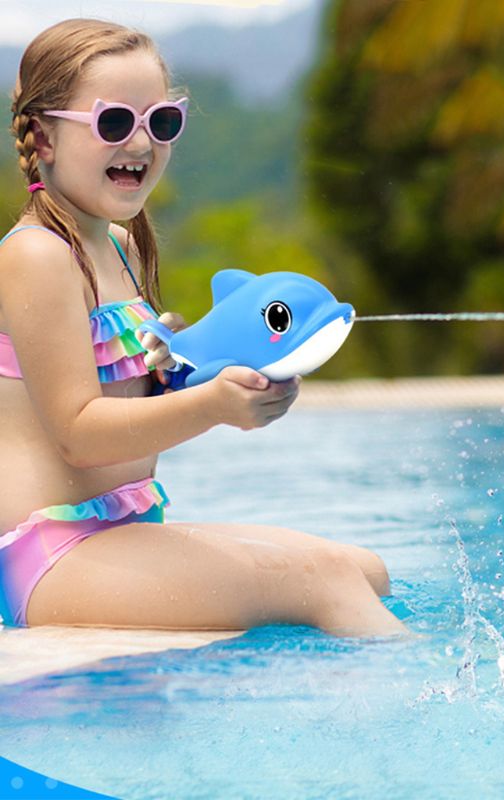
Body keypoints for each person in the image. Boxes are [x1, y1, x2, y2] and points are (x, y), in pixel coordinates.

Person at [0, 18, 408, 638]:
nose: (140, 143)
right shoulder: (38, 256)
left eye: (160, 122)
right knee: (324, 582)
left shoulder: (114, 246)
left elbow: (136, 394)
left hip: (116, 532)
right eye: (113, 123)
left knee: (363, 569)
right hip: (50, 554)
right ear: (43, 136)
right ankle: (423, 708)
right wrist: (215, 406)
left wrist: (222, 379)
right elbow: (79, 436)